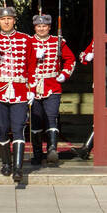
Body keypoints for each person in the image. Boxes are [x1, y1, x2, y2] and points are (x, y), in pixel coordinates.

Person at [0, 3, 36, 182]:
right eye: (3, 19)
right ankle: (6, 163)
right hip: (0, 90)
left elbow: (32, 65)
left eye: (9, 19)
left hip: (20, 89)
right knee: (2, 128)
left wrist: (32, 89)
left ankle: (18, 168)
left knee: (19, 128)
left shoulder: (26, 39)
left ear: (14, 20)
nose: (6, 22)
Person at [28, 14, 75, 167]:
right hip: (33, 85)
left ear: (49, 27)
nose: (41, 28)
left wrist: (64, 74)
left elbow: (71, 59)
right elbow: (22, 62)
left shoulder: (58, 41)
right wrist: (34, 56)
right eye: (38, 26)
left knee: (51, 117)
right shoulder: (28, 42)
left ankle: (52, 150)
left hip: (52, 84)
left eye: (44, 26)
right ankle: (36, 154)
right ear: (35, 27)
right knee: (35, 120)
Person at [75, 40, 95, 160]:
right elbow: (82, 56)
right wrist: (88, 57)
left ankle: (87, 147)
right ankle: (87, 147)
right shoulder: (96, 40)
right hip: (103, 81)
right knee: (98, 118)